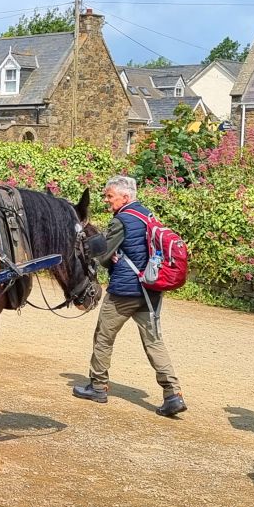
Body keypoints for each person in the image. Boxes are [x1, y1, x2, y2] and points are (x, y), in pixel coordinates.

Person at [71, 174, 185, 416]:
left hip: (124, 291)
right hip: (150, 288)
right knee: (154, 341)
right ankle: (172, 393)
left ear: (125, 196)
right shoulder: (147, 214)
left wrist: (107, 257)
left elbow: (102, 254)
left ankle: (98, 385)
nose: (106, 200)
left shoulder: (121, 220)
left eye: (109, 196)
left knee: (103, 336)